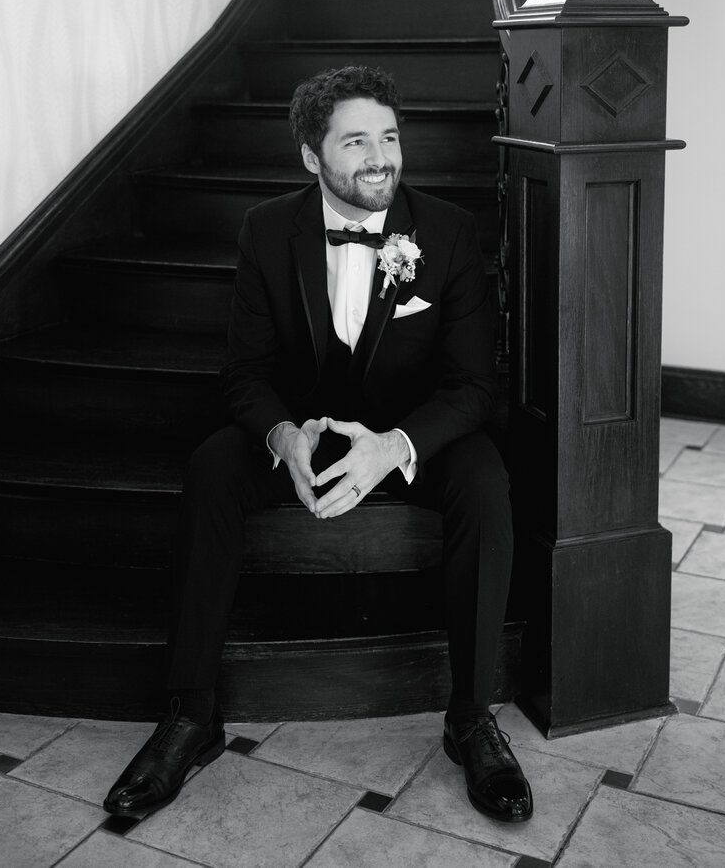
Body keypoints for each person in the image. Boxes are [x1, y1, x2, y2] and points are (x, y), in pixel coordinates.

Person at [103, 65, 533, 823]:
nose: (381, 157)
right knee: (212, 466)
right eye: (357, 140)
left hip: (410, 438)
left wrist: (393, 445)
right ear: (312, 157)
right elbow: (244, 372)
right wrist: (278, 432)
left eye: (391, 137)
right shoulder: (268, 229)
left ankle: (470, 717)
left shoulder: (449, 230)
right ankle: (191, 714)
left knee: (485, 479)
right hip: (306, 430)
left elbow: (472, 387)